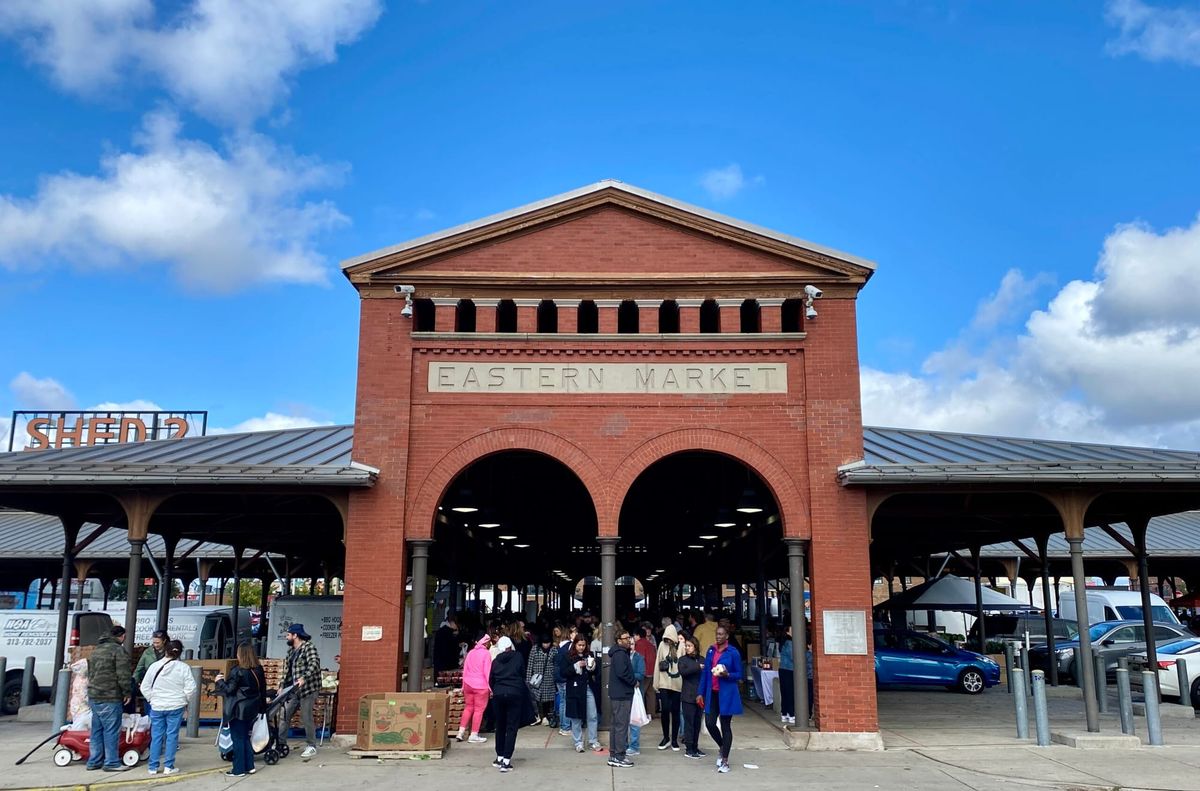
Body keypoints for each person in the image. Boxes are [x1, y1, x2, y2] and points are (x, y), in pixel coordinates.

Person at [141, 639, 196, 775]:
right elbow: (191, 688)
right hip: (176, 706)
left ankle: (152, 767)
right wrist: (183, 700)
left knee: (156, 736)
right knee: (172, 736)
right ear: (180, 653)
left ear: (165, 651)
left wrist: (152, 699)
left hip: (158, 706)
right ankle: (168, 766)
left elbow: (144, 686)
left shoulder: (154, 666)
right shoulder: (183, 668)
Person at [214, 642, 266, 779]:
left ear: (240, 654)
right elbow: (263, 690)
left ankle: (238, 769)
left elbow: (229, 690)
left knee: (237, 738)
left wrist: (219, 681)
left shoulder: (237, 671)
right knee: (245, 737)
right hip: (252, 708)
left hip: (238, 709)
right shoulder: (258, 669)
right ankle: (249, 766)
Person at [86, 625, 132, 772]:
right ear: (122, 636)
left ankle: (94, 761)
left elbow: (90, 673)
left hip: (94, 695)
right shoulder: (118, 651)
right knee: (111, 730)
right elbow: (123, 674)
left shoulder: (96, 650)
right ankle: (112, 762)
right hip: (110, 695)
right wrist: (127, 692)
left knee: (97, 730)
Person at [701, 625, 743, 773]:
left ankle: (725, 760)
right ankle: (722, 746)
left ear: (727, 636)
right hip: (712, 693)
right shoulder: (711, 650)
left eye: (721, 634)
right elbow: (706, 673)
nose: (718, 636)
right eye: (717, 634)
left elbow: (739, 674)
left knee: (725, 726)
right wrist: (701, 692)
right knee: (710, 723)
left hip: (726, 694)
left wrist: (727, 675)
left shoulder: (733, 652)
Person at [280, 623, 322, 759]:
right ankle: (280, 744)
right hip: (294, 689)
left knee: (306, 716)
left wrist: (304, 678)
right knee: (284, 714)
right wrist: (281, 686)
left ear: (295, 635)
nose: (287, 637)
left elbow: (314, 664)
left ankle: (311, 746)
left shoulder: (308, 648)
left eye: (288, 635)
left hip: (308, 689)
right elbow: (287, 671)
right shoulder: (291, 651)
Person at [488, 636, 525, 773]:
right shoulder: (518, 657)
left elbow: (491, 679)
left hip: (498, 694)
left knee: (500, 725)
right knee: (511, 727)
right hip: (515, 693)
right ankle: (507, 760)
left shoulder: (496, 661)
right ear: (510, 646)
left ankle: (499, 756)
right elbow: (522, 673)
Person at [560, 635, 602, 753]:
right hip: (574, 689)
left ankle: (593, 740)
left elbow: (596, 671)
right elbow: (562, 672)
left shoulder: (589, 655)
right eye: (579, 645)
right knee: (576, 717)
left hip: (588, 687)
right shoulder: (567, 656)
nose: (581, 648)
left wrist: (592, 666)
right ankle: (578, 742)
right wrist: (576, 666)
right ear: (575, 645)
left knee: (592, 715)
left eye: (583, 645)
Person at [607, 629, 637, 768]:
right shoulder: (620, 654)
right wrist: (633, 681)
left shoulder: (619, 653)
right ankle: (619, 756)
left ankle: (614, 754)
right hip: (622, 695)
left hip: (618, 694)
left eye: (629, 637)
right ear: (619, 641)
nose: (629, 640)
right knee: (621, 726)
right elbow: (622, 673)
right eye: (626, 638)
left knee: (616, 726)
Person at [457, 636, 493, 743]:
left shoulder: (471, 652)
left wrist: (463, 686)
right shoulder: (486, 654)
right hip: (481, 686)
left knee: (468, 708)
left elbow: (465, 670)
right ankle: (474, 734)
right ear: (486, 643)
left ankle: (460, 732)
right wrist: (490, 688)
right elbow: (487, 672)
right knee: (478, 710)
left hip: (468, 684)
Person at [653, 624, 683, 751]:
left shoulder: (681, 646)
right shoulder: (661, 645)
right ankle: (666, 737)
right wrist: (656, 682)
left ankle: (674, 739)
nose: (668, 641)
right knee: (665, 710)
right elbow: (657, 662)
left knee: (675, 711)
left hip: (677, 683)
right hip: (664, 682)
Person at [678, 635, 705, 759]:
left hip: (699, 695)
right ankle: (689, 748)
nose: (687, 648)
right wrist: (697, 667)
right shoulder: (683, 660)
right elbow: (683, 672)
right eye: (686, 646)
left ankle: (695, 746)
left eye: (689, 646)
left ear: (695, 647)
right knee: (689, 723)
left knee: (697, 722)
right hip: (688, 696)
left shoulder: (702, 659)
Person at [525, 634, 557, 726]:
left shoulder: (554, 650)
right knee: (536, 698)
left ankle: (546, 716)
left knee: (547, 698)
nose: (546, 645)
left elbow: (555, 664)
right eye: (544, 643)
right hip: (537, 678)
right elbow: (530, 664)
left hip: (549, 677)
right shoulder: (535, 649)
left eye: (548, 643)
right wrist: (528, 678)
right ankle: (539, 716)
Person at [134, 629, 168, 715]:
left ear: (164, 641)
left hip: (165, 685)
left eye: (158, 642)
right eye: (154, 642)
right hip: (151, 684)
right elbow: (140, 668)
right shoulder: (148, 652)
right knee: (150, 712)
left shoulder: (169, 652)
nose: (155, 644)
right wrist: (135, 681)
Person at [627, 633, 647, 756]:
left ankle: (634, 746)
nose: (631, 646)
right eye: (629, 643)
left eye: (633, 644)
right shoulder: (622, 656)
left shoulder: (639, 657)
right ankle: (624, 744)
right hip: (625, 690)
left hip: (634, 692)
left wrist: (627, 677)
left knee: (634, 720)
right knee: (623, 720)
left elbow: (641, 674)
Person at [632, 626, 657, 719]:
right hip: (652, 671)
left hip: (644, 671)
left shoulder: (638, 644)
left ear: (638, 635)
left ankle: (640, 714)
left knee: (641, 692)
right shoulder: (650, 644)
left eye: (634, 635)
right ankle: (651, 713)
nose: (633, 637)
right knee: (651, 693)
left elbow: (639, 659)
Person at [432, 616, 461, 682]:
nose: (457, 628)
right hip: (447, 665)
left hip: (439, 663)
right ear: (453, 623)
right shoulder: (450, 634)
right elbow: (452, 650)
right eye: (457, 625)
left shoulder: (440, 631)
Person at [779, 624, 796, 725]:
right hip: (790, 669)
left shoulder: (784, 642)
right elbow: (794, 656)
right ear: (788, 632)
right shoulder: (790, 643)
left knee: (784, 692)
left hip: (783, 669)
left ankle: (784, 713)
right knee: (790, 693)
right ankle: (791, 714)